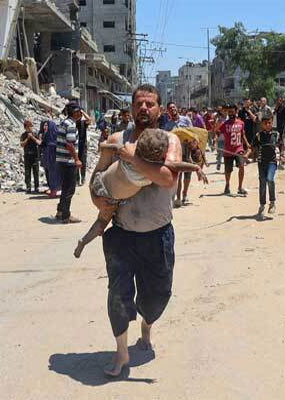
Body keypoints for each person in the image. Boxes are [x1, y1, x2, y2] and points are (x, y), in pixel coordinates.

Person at [89, 83, 181, 378]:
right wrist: (98, 201)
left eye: (150, 104)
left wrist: (131, 159)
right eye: (139, 103)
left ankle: (146, 326)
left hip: (158, 235)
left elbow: (167, 178)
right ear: (131, 108)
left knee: (156, 297)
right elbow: (96, 176)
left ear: (159, 109)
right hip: (122, 234)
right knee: (118, 295)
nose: (144, 108)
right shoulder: (116, 140)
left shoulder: (170, 140)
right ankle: (121, 352)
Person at [55, 103, 83, 223]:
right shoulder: (71, 125)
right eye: (80, 112)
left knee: (65, 187)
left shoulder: (63, 122)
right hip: (68, 161)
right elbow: (70, 144)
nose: (81, 114)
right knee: (69, 189)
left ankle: (60, 211)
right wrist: (77, 159)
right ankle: (66, 216)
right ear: (75, 113)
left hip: (61, 160)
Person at [252, 116, 283, 219]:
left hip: (272, 162)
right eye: (265, 123)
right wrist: (247, 154)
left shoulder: (276, 134)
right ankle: (262, 205)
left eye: (269, 123)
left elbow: (281, 145)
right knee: (262, 183)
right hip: (261, 162)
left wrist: (282, 155)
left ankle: (272, 203)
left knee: (270, 179)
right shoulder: (259, 135)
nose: (268, 125)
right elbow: (253, 147)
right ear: (262, 124)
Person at [217, 104, 250, 196]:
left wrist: (247, 144)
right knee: (228, 170)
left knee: (241, 166)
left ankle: (240, 187)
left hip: (239, 149)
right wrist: (215, 139)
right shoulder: (225, 124)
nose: (230, 113)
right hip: (228, 150)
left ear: (236, 111)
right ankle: (227, 185)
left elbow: (243, 134)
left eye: (232, 111)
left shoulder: (241, 123)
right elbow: (218, 132)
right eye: (229, 112)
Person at [39, 120, 60, 198]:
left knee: (53, 174)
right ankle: (53, 190)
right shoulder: (48, 136)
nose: (45, 127)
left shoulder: (52, 141)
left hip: (52, 159)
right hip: (50, 159)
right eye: (44, 125)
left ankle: (54, 191)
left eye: (47, 125)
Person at [21, 119, 41, 194]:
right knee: (27, 172)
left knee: (36, 171)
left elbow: (39, 142)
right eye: (28, 127)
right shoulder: (23, 135)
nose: (30, 128)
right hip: (27, 155)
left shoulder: (35, 134)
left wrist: (32, 137)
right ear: (25, 127)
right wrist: (27, 138)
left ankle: (36, 187)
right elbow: (22, 144)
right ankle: (28, 187)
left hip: (35, 155)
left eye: (31, 126)